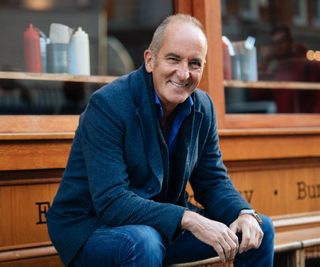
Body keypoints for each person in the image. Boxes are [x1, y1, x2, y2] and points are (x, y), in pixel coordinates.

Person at [47, 14, 274, 267]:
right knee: (144, 242)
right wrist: (189, 219)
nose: (184, 73)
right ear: (150, 60)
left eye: (195, 63)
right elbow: (112, 202)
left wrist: (244, 214)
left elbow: (212, 181)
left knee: (260, 230)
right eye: (174, 59)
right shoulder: (108, 105)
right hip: (90, 227)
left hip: (159, 226)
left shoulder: (203, 107)